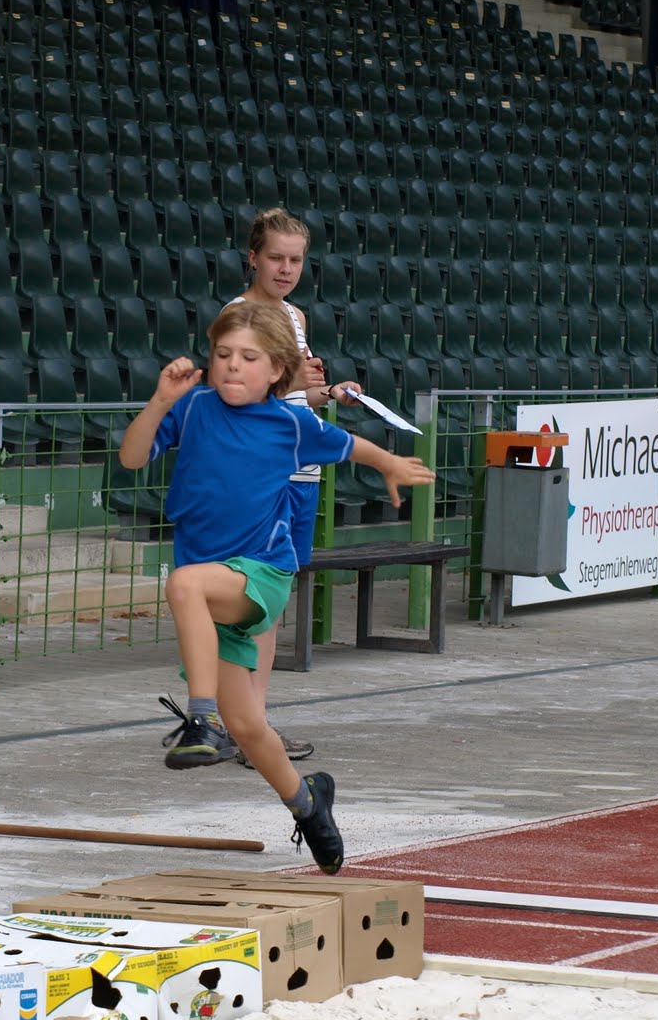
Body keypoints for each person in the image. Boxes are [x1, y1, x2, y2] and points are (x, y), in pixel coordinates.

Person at [119, 303, 433, 871]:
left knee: (183, 585)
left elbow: (349, 446)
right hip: (214, 589)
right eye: (223, 355)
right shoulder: (192, 408)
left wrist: (389, 463)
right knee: (250, 726)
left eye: (248, 358)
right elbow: (132, 456)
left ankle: (201, 718)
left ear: (276, 371)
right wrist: (161, 401)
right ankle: (308, 803)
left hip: (262, 572)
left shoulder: (290, 423)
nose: (232, 366)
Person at [219, 207, 363, 768]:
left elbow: (298, 396)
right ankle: (241, 727)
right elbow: (233, 398)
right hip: (262, 477)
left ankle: (251, 725)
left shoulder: (294, 316)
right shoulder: (239, 317)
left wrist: (331, 393)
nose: (285, 269)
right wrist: (289, 383)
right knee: (251, 604)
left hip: (301, 472)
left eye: (296, 260)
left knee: (270, 604)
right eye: (276, 258)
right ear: (252, 257)